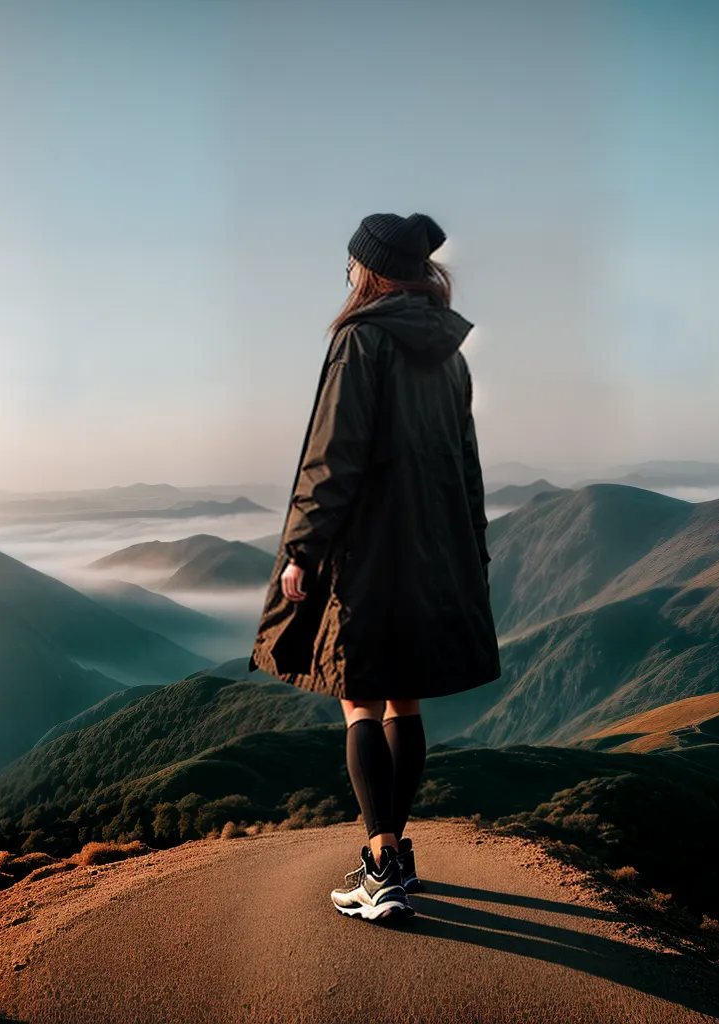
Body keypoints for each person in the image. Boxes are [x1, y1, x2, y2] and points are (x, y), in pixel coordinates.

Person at [248, 211, 502, 923]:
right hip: (433, 554)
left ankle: (381, 865)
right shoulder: (449, 356)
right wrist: (471, 547)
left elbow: (334, 456)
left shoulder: (359, 343)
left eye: (352, 265)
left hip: (365, 554)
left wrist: (302, 548)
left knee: (358, 698)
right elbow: (467, 467)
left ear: (370, 272)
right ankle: (399, 855)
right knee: (405, 700)